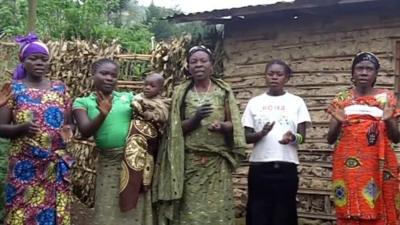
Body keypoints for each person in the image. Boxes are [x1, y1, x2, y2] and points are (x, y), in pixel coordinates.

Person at [152, 45, 246, 225]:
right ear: (188, 66)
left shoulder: (223, 91)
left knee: (217, 212)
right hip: (189, 163)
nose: (198, 65)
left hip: (217, 164)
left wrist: (222, 127)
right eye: (193, 61)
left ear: (212, 65)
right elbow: (174, 128)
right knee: (189, 212)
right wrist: (196, 119)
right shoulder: (182, 92)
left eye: (203, 61)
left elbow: (233, 123)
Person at [0, 34, 74, 225]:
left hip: (53, 166)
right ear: (23, 61)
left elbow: (68, 123)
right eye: (33, 59)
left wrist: (68, 130)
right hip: (24, 167)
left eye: (43, 59)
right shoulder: (13, 90)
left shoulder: (60, 88)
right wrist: (22, 128)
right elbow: (1, 128)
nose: (39, 63)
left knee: (52, 216)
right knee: (20, 215)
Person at [72, 58, 154, 225]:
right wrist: (102, 113)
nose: (109, 78)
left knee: (135, 208)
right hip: (109, 162)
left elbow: (149, 113)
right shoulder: (83, 102)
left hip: (134, 162)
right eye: (104, 73)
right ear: (93, 75)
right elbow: (86, 131)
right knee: (108, 205)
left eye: (114, 75)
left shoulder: (128, 98)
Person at [327, 52, 400, 225]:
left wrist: (389, 119)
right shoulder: (342, 99)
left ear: (376, 73)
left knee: (381, 201)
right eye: (360, 68)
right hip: (347, 164)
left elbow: (396, 138)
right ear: (353, 73)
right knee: (350, 204)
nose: (364, 72)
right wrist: (338, 122)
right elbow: (330, 139)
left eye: (369, 69)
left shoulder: (387, 98)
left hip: (379, 163)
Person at [242, 59, 311, 225]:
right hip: (260, 167)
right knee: (258, 213)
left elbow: (303, 137)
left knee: (284, 214)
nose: (274, 77)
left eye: (279, 74)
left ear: (286, 78)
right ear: (265, 77)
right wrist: (261, 133)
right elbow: (245, 137)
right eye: (270, 74)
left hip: (286, 167)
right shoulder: (255, 103)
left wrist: (292, 138)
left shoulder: (297, 102)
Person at [120, 72, 170, 212]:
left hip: (151, 143)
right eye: (146, 84)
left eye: (152, 86)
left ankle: (143, 187)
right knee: (133, 165)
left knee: (147, 168)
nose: (147, 88)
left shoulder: (162, 103)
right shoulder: (137, 98)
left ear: (160, 89)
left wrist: (150, 115)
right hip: (133, 142)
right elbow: (133, 107)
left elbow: (163, 116)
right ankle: (130, 193)